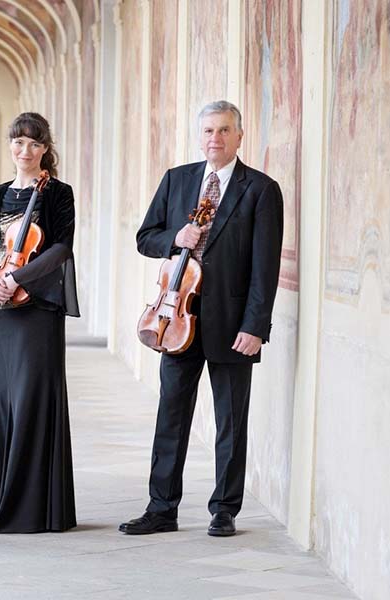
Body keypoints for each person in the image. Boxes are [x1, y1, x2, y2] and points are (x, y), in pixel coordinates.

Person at [122, 100, 284, 537]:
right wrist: (175, 237)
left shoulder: (261, 190)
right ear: (200, 136)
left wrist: (255, 326)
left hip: (232, 324)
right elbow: (145, 238)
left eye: (225, 130)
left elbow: (264, 267)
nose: (216, 138)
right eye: (209, 131)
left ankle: (225, 510)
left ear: (239, 136)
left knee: (231, 420)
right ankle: (161, 508)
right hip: (175, 320)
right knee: (170, 414)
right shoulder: (177, 180)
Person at [0, 112, 80, 534]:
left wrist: (17, 277)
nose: (25, 151)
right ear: (10, 146)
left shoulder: (58, 193)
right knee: (3, 400)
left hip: (37, 304)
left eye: (34, 144)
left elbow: (60, 249)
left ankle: (34, 507)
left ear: (45, 149)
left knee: (33, 396)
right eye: (18, 143)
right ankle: (1, 499)